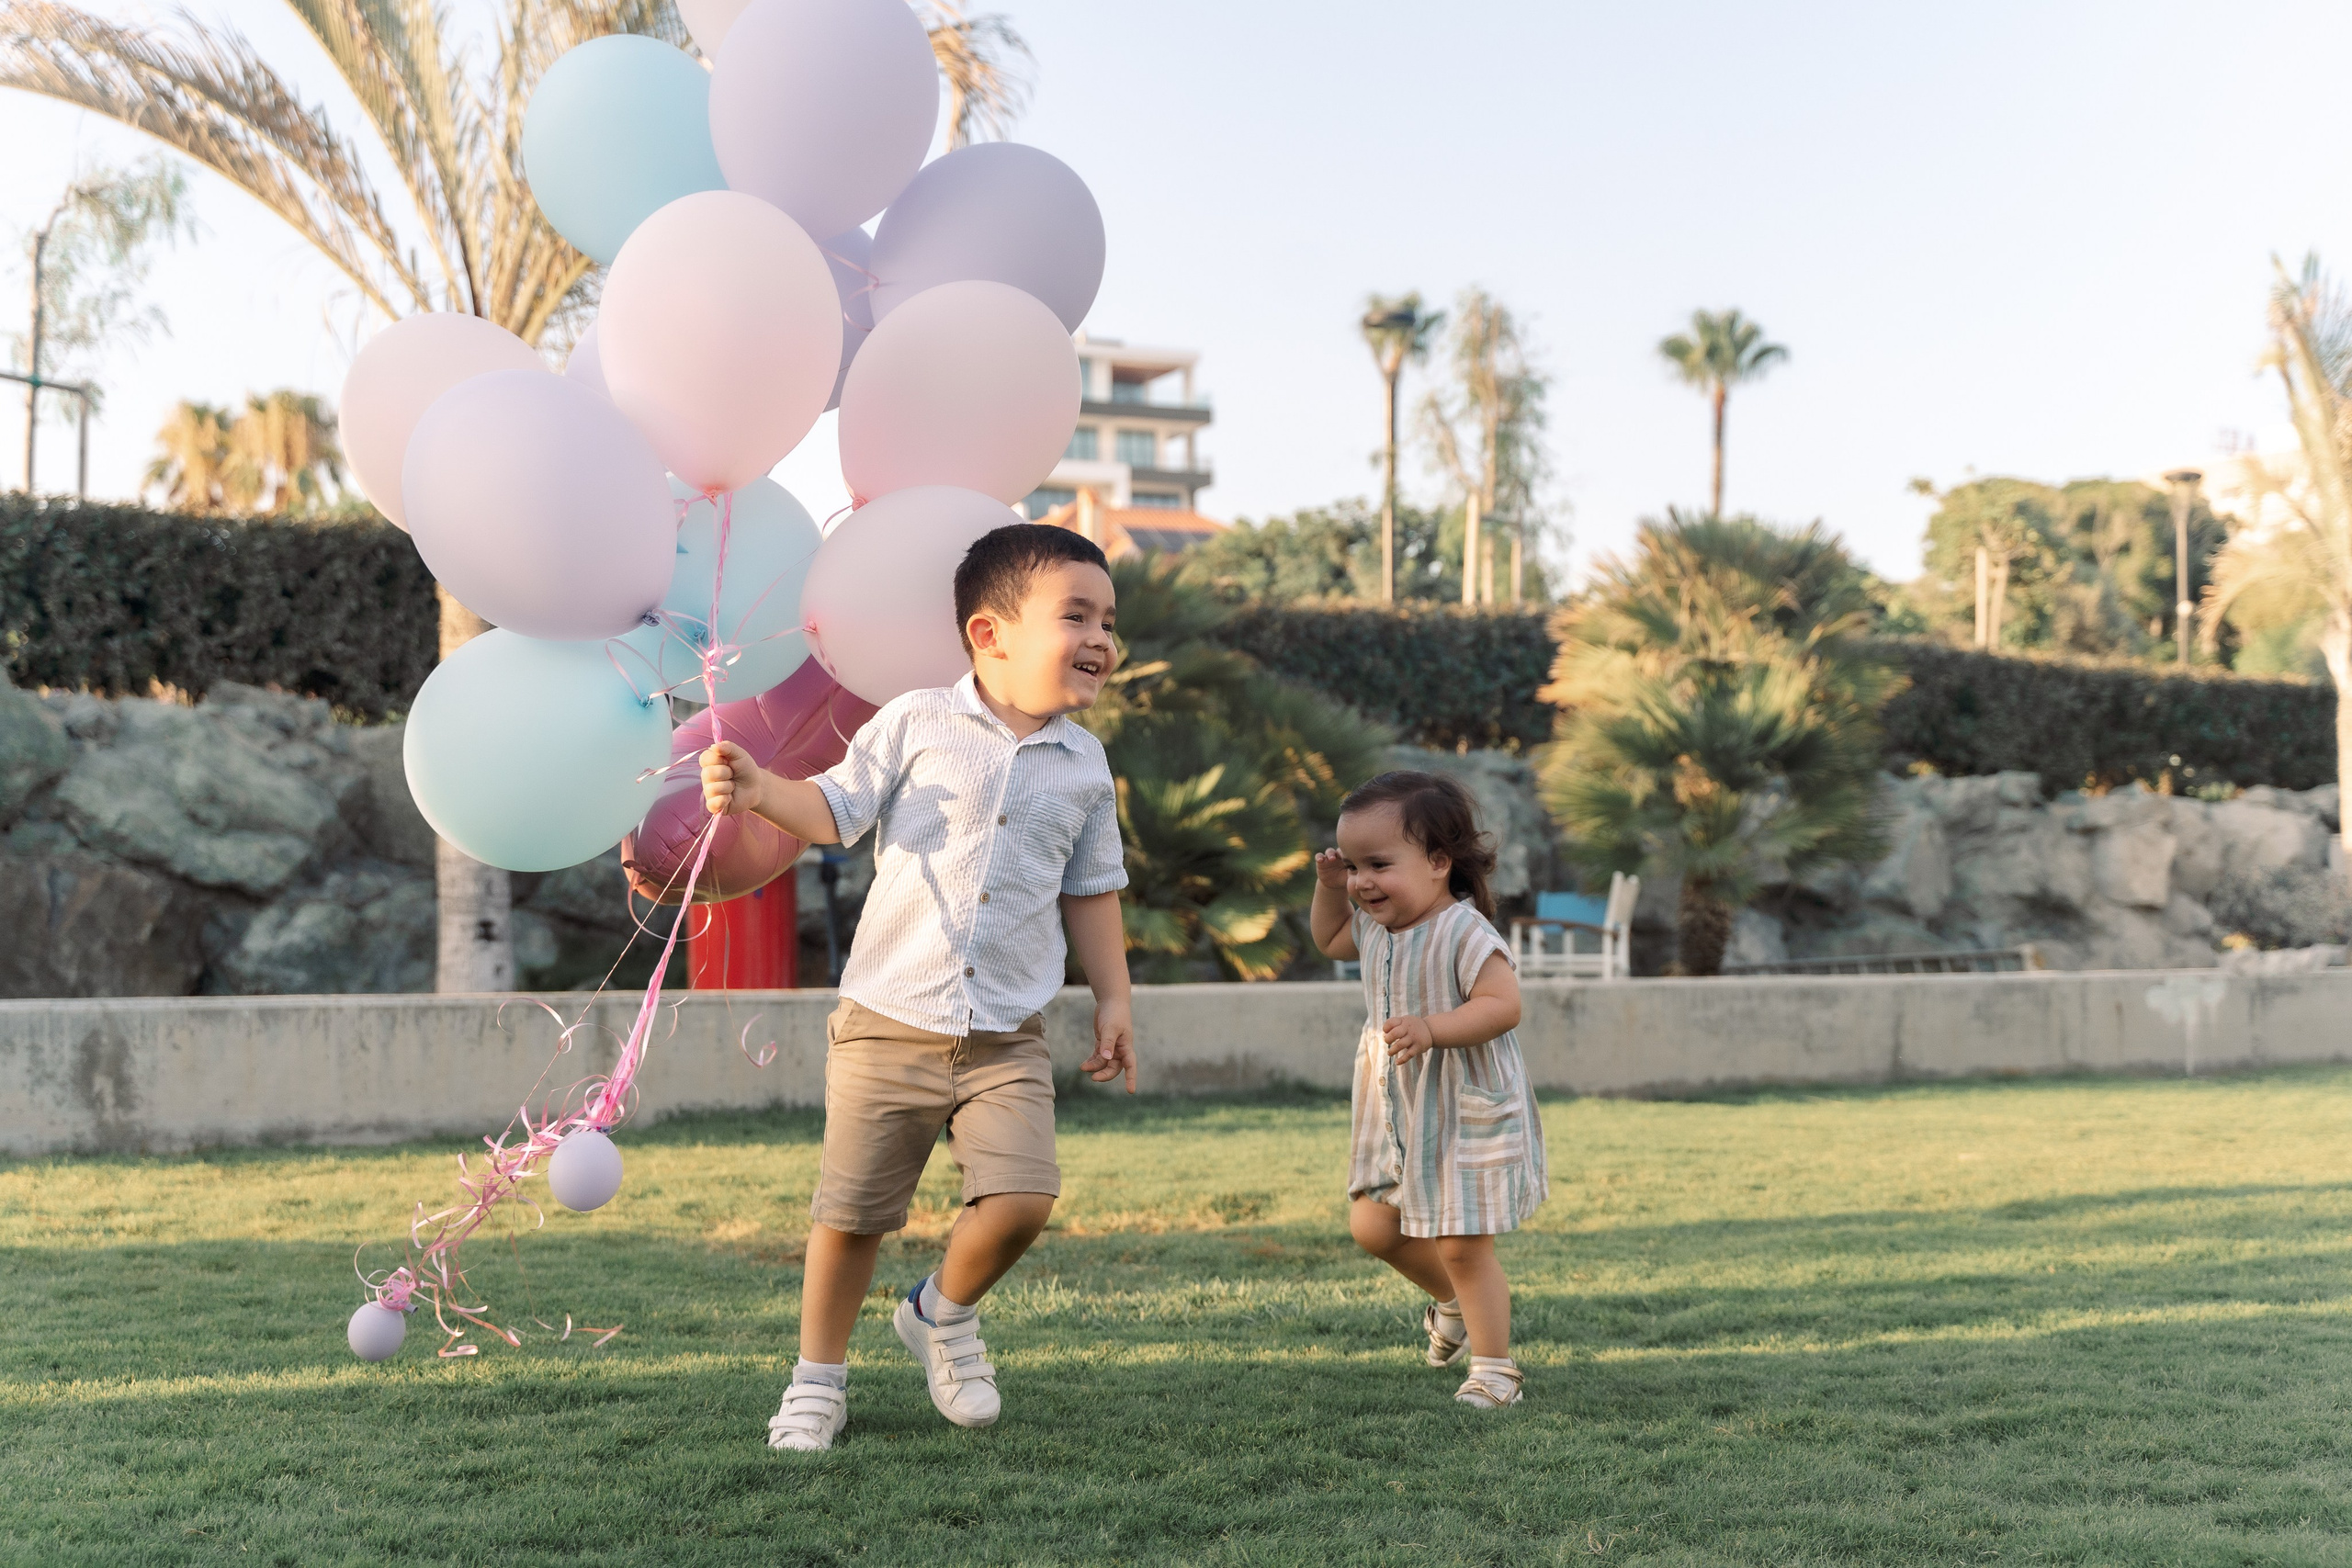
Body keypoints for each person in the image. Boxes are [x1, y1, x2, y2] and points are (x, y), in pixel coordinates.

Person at [698, 523, 1136, 1453]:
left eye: (1108, 619)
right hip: (888, 1025)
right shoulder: (915, 722)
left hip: (1005, 1035)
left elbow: (1092, 890)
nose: (1101, 638)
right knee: (850, 1217)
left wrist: (1114, 1000)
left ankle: (941, 1311)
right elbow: (832, 808)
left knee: (1022, 1200)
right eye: (1076, 616)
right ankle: (816, 1381)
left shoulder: (1086, 766)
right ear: (991, 634)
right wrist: (759, 788)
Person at [1309, 771, 1546, 1409]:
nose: (1362, 881)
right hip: (1397, 1105)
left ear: (1440, 862)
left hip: (1461, 1103)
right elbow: (1329, 939)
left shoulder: (1464, 931)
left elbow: (1504, 1004)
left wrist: (1434, 1028)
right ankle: (1451, 1303)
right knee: (1373, 1224)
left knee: (1463, 1242)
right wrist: (1329, 890)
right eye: (1353, 865)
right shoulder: (1375, 927)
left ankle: (1496, 1370)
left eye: (1378, 864)